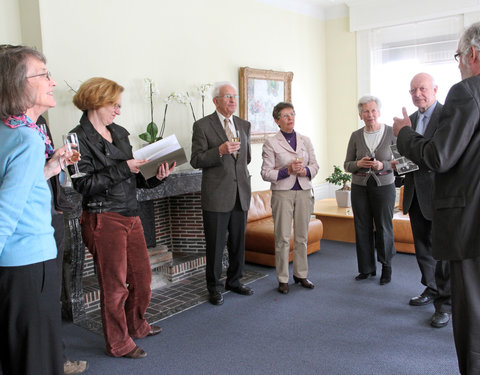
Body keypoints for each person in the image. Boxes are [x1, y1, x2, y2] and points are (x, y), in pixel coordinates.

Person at [393, 22, 480, 375]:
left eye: (458, 56)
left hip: (469, 220)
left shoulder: (465, 93)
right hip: (427, 199)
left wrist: (403, 135)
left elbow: (440, 156)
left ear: (472, 54)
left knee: (471, 316)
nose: (458, 63)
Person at [68, 77, 174, 359]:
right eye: (114, 105)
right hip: (103, 218)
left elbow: (135, 179)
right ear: (95, 101)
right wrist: (124, 168)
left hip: (130, 214)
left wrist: (156, 177)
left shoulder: (121, 133)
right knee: (114, 287)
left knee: (142, 278)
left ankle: (136, 325)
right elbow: (84, 185)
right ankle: (118, 343)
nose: (118, 111)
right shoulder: (76, 139)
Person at [0, 45, 71, 375]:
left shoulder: (8, 133)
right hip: (29, 267)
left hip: (12, 268)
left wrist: (47, 170)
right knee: (37, 363)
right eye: (44, 74)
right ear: (18, 84)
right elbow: (4, 212)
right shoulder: (28, 139)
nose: (52, 82)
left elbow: (15, 190)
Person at [190, 81, 253, 306]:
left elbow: (246, 159)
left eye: (234, 96)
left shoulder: (243, 125)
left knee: (238, 243)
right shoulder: (202, 126)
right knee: (216, 246)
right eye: (227, 96)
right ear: (216, 100)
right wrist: (219, 151)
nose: (232, 100)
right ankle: (214, 287)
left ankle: (235, 281)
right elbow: (196, 160)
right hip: (216, 196)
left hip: (240, 194)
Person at [398, 73, 451, 328]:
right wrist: (395, 170)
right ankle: (430, 288)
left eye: (422, 88)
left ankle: (445, 304)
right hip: (414, 194)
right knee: (422, 247)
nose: (417, 94)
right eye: (413, 90)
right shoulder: (412, 120)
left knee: (442, 252)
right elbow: (407, 154)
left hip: (439, 196)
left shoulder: (447, 116)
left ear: (435, 89)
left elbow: (438, 156)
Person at [38, 115, 89, 374]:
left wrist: (58, 166)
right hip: (29, 226)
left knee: (51, 295)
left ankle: (56, 359)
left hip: (52, 214)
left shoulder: (40, 121)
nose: (51, 82)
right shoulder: (11, 128)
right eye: (43, 76)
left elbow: (50, 173)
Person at [261, 102, 319, 294]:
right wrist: (287, 170)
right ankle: (283, 278)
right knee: (283, 238)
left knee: (302, 237)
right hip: (282, 194)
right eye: (285, 116)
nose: (290, 118)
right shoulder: (271, 143)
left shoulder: (305, 140)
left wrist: (306, 170)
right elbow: (266, 173)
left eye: (292, 114)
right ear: (277, 120)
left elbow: (315, 166)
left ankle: (301, 275)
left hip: (303, 191)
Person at [344, 95, 396, 285]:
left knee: (384, 227)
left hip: (384, 186)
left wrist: (383, 165)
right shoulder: (356, 136)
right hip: (360, 187)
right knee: (362, 226)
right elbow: (347, 165)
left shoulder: (391, 133)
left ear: (379, 112)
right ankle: (366, 268)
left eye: (373, 110)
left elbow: (404, 162)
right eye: (366, 111)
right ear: (360, 114)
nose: (370, 114)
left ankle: (386, 267)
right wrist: (358, 163)